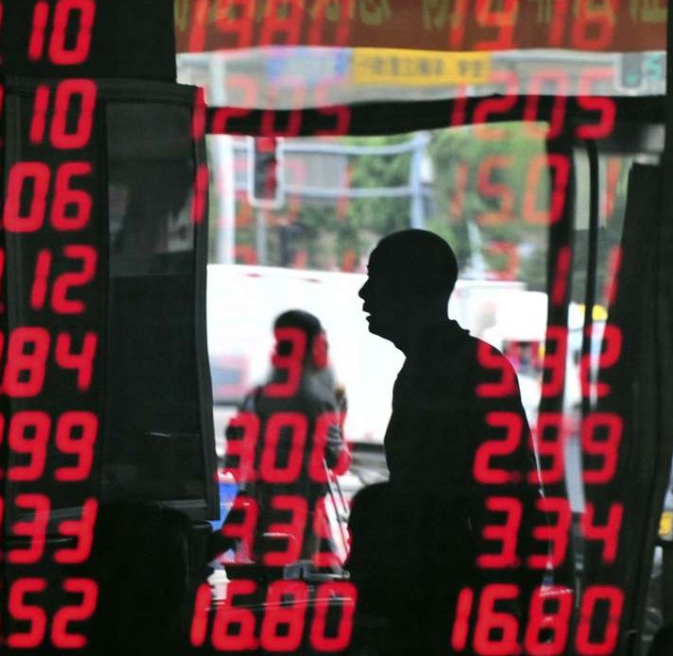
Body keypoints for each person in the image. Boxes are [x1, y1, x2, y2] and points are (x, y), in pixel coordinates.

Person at [348, 230, 545, 653]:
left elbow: (504, 505)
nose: (365, 294)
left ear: (410, 289)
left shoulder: (456, 372)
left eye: (375, 279)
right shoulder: (454, 367)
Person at [216, 310, 351, 570]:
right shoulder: (320, 401)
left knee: (258, 584)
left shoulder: (255, 397)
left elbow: (234, 459)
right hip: (302, 518)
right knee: (299, 584)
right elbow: (338, 462)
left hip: (259, 514)